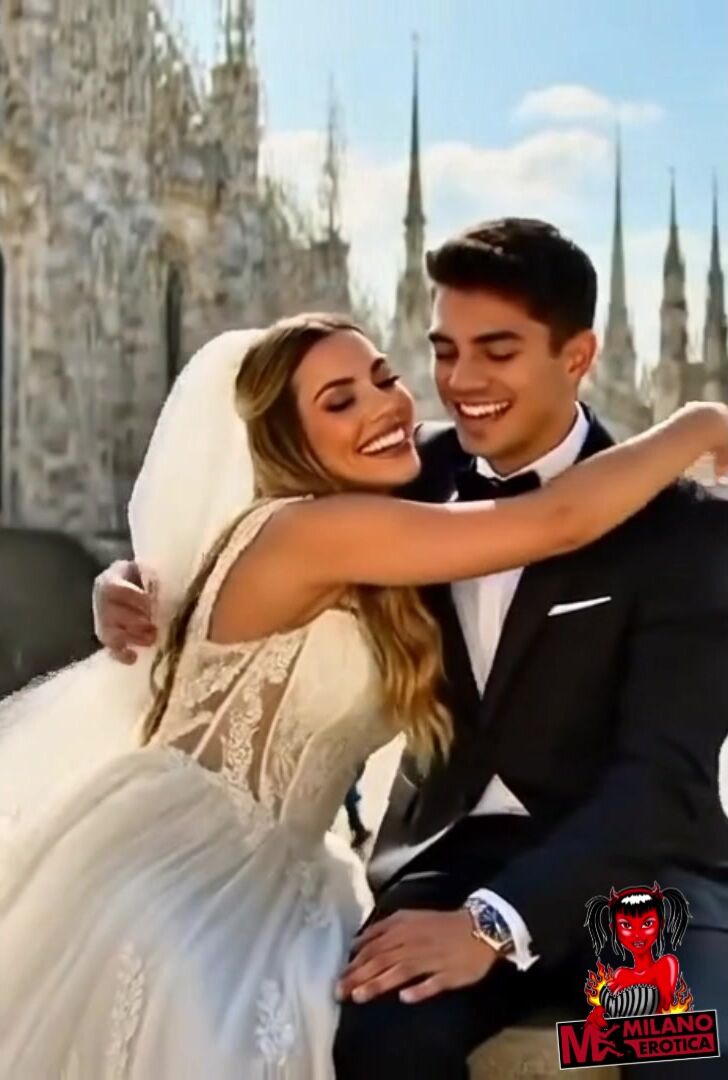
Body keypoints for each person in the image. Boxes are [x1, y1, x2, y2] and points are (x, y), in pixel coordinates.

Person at [94, 222, 728, 1080]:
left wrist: (496, 926)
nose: (461, 382)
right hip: (448, 861)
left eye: (497, 351)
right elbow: (252, 520)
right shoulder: (401, 472)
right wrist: (134, 582)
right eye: (444, 351)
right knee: (381, 1042)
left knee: (684, 1045)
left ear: (577, 356)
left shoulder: (683, 525)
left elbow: (662, 779)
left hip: (634, 876)